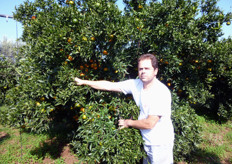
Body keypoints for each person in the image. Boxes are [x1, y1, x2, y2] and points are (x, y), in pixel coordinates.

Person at [74, 53, 174, 164]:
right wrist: (84, 82)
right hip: (146, 140)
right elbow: (109, 85)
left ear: (155, 71)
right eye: (140, 69)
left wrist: (128, 123)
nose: (143, 71)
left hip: (160, 143)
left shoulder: (160, 92)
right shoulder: (136, 84)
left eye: (147, 68)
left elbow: (149, 123)